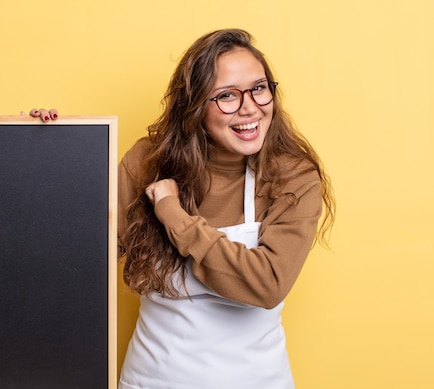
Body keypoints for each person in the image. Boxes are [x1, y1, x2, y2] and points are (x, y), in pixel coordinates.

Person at [33, 28, 335, 389]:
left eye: (259, 87)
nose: (250, 107)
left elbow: (267, 284)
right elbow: (75, 262)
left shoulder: (292, 177)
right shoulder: (147, 162)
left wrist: (172, 212)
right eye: (226, 95)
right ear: (193, 108)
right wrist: (42, 151)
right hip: (152, 381)